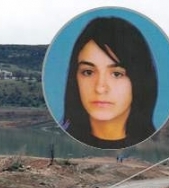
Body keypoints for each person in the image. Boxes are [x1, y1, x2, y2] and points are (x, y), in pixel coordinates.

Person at [62, 17, 157, 149]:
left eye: (117, 74)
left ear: (139, 80)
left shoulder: (156, 147)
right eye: (88, 72)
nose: (100, 88)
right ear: (75, 78)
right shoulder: (61, 143)